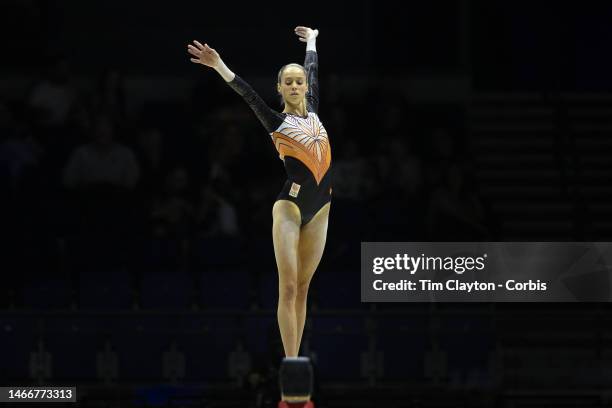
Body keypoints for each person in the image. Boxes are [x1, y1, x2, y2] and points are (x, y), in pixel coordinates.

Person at [187, 26, 331, 358]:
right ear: (280, 88)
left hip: (322, 206)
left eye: (299, 81)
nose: (295, 84)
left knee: (305, 289)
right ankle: (291, 362)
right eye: (288, 81)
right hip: (290, 207)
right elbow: (248, 94)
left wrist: (311, 41)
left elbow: (312, 67)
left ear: (306, 87)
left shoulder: (316, 112)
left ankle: (297, 356)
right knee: (289, 286)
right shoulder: (276, 122)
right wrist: (219, 65)